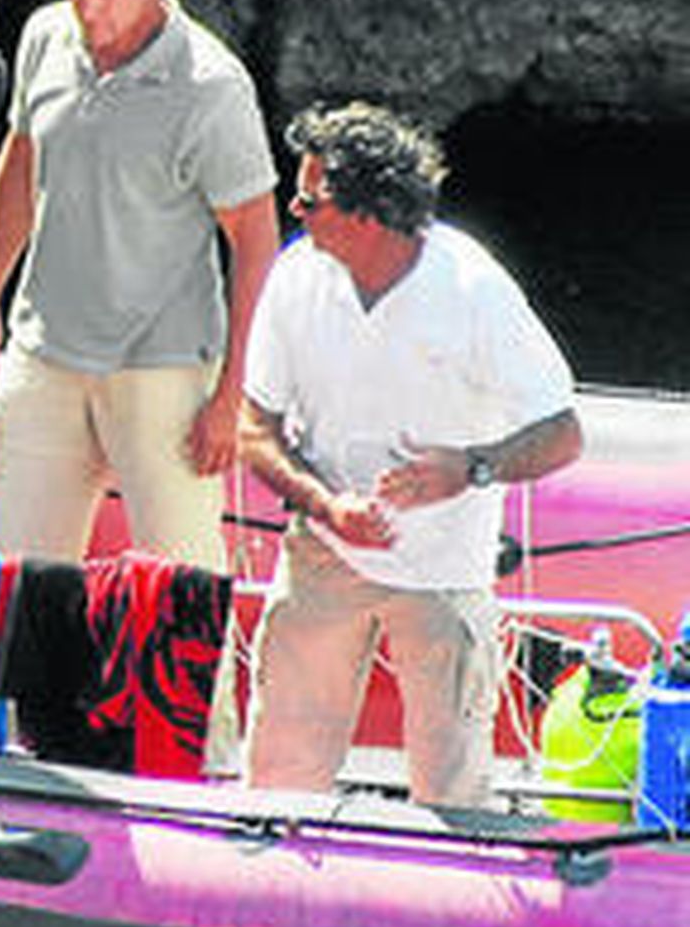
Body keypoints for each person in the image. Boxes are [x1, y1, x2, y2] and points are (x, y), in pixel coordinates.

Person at [239, 101, 583, 807]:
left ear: (365, 215)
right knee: (278, 775)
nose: (294, 210)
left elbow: (562, 432)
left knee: (452, 788)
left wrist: (470, 469)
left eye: (309, 199)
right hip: (323, 557)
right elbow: (255, 429)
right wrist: (325, 505)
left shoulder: (472, 288)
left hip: (445, 570)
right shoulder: (297, 278)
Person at [0, 0, 281, 573]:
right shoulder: (46, 36)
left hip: (162, 370)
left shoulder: (212, 88)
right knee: (8, 591)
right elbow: (18, 169)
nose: (88, 11)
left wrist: (231, 395)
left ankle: (214, 690)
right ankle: (20, 689)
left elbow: (255, 244)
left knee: (186, 596)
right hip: (44, 356)